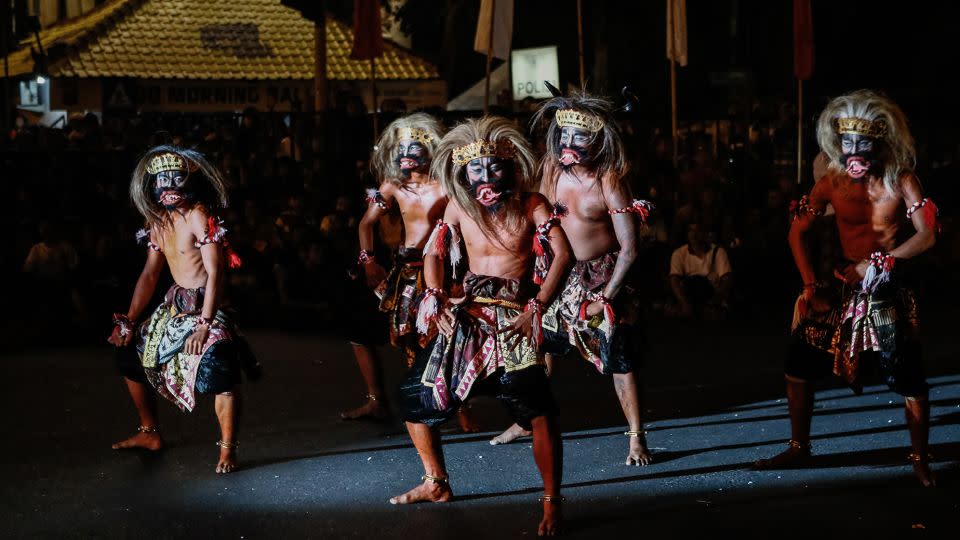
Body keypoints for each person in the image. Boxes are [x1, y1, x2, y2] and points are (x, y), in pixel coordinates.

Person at [390, 117, 570, 536]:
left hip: (513, 321)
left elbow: (562, 255)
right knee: (415, 396)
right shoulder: (458, 205)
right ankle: (436, 483)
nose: (485, 177)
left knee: (539, 412)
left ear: (509, 167)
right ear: (463, 172)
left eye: (493, 168)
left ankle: (551, 502)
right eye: (476, 169)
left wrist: (537, 306)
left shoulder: (532, 204)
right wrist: (435, 296)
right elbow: (434, 253)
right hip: (468, 317)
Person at [754, 90, 939, 487]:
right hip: (841, 290)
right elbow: (796, 232)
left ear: (881, 143)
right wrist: (808, 285)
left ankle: (921, 458)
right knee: (798, 365)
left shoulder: (901, 180)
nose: (854, 151)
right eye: (847, 142)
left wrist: (884, 261)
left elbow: (928, 234)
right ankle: (799, 447)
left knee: (907, 376)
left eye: (863, 142)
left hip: (887, 292)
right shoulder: (832, 183)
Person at [491, 91, 655, 466]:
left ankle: (635, 438)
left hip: (603, 277)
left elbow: (630, 249)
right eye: (562, 136)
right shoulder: (549, 169)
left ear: (597, 140)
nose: (567, 144)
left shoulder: (609, 181)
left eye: (577, 138)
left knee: (621, 362)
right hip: (559, 273)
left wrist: (608, 297)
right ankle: (525, 421)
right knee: (536, 349)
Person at [107, 145, 259, 474]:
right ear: (154, 187)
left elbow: (216, 273)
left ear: (188, 183)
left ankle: (227, 449)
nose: (169, 188)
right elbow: (150, 274)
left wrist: (205, 324)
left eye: (176, 180)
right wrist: (130, 319)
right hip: (174, 308)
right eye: (162, 182)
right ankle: (150, 433)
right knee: (128, 354)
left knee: (220, 367)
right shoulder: (157, 223)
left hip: (208, 307)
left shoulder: (199, 216)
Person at [342, 113, 477, 432]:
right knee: (409, 337)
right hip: (405, 270)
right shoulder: (393, 186)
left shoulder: (446, 184)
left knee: (446, 332)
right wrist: (368, 260)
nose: (406, 156)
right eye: (401, 150)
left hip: (442, 267)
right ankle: (422, 401)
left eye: (413, 149)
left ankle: (460, 406)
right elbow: (366, 223)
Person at [668, 222, 734, 318]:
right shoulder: (679, 253)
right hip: (689, 296)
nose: (694, 235)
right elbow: (674, 280)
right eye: (691, 230)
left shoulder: (717, 251)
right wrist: (684, 303)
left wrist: (714, 301)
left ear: (705, 233)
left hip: (710, 297)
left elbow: (727, 279)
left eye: (697, 231)